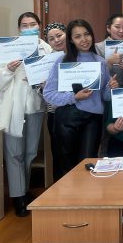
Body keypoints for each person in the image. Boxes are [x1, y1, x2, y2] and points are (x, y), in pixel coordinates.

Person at [0, 12, 52, 217]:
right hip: (13, 108)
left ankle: (24, 191)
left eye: (32, 24)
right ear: (19, 29)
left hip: (35, 107)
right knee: (14, 153)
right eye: (24, 25)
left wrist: (42, 81)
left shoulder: (46, 49)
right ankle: (18, 198)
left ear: (39, 26)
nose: (29, 28)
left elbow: (51, 78)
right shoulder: (8, 49)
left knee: (30, 152)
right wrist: (8, 70)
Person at [43, 19, 111, 177]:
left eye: (87, 34)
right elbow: (48, 94)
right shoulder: (62, 61)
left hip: (93, 119)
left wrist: (111, 87)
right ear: (71, 40)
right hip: (67, 118)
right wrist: (74, 97)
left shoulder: (101, 62)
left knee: (87, 163)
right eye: (78, 36)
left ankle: (85, 193)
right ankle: (65, 194)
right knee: (66, 164)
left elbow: (105, 97)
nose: (84, 39)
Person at [43, 22, 66, 182]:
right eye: (51, 39)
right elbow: (43, 93)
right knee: (58, 154)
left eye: (59, 35)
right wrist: (42, 86)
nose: (56, 40)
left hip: (78, 111)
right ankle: (60, 189)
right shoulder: (44, 61)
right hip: (55, 113)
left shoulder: (79, 55)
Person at [95, 13, 123, 80]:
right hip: (107, 86)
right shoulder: (98, 47)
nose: (121, 31)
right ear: (108, 28)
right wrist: (108, 62)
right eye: (117, 27)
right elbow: (95, 75)